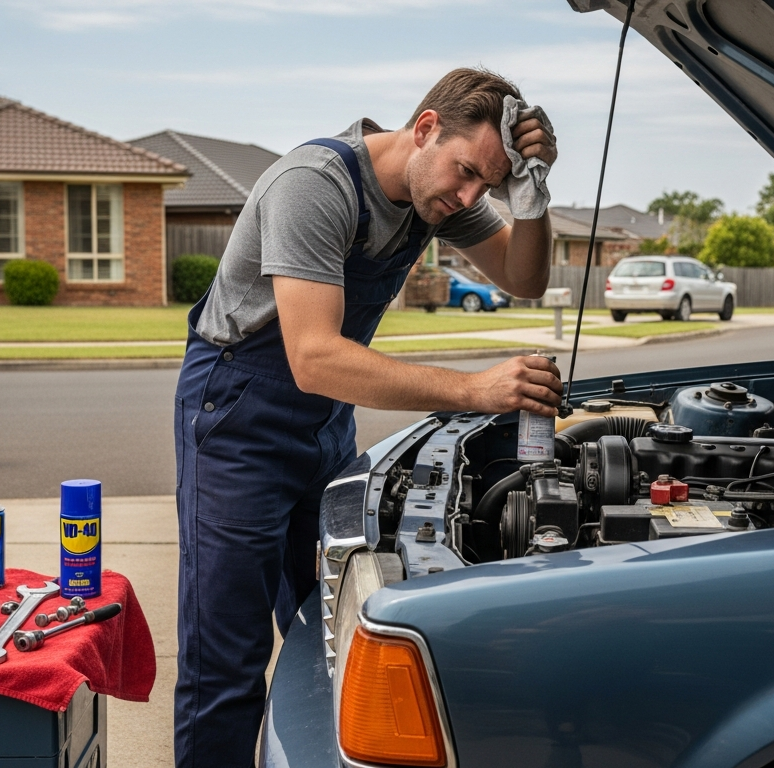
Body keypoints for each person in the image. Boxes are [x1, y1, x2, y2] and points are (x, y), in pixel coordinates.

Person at [173, 67, 560, 765]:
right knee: (225, 665)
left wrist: (530, 195)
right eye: (468, 173)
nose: (471, 197)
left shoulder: (438, 191)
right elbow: (315, 357)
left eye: (489, 186)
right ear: (424, 129)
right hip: (236, 420)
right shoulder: (315, 184)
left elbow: (524, 277)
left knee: (329, 636)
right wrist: (475, 391)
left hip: (324, 427)